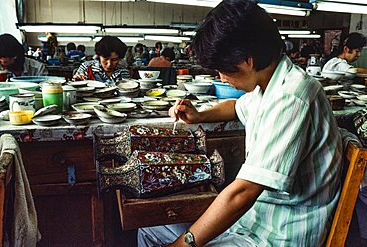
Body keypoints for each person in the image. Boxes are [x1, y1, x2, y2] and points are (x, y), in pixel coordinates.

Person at [138, 0, 342, 246]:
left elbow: (242, 194)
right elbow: (236, 106)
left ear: (247, 60)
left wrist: (185, 243)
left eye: (222, 70)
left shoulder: (291, 98)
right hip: (252, 222)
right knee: (149, 230)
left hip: (279, 235)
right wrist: (199, 115)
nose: (221, 78)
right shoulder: (268, 85)